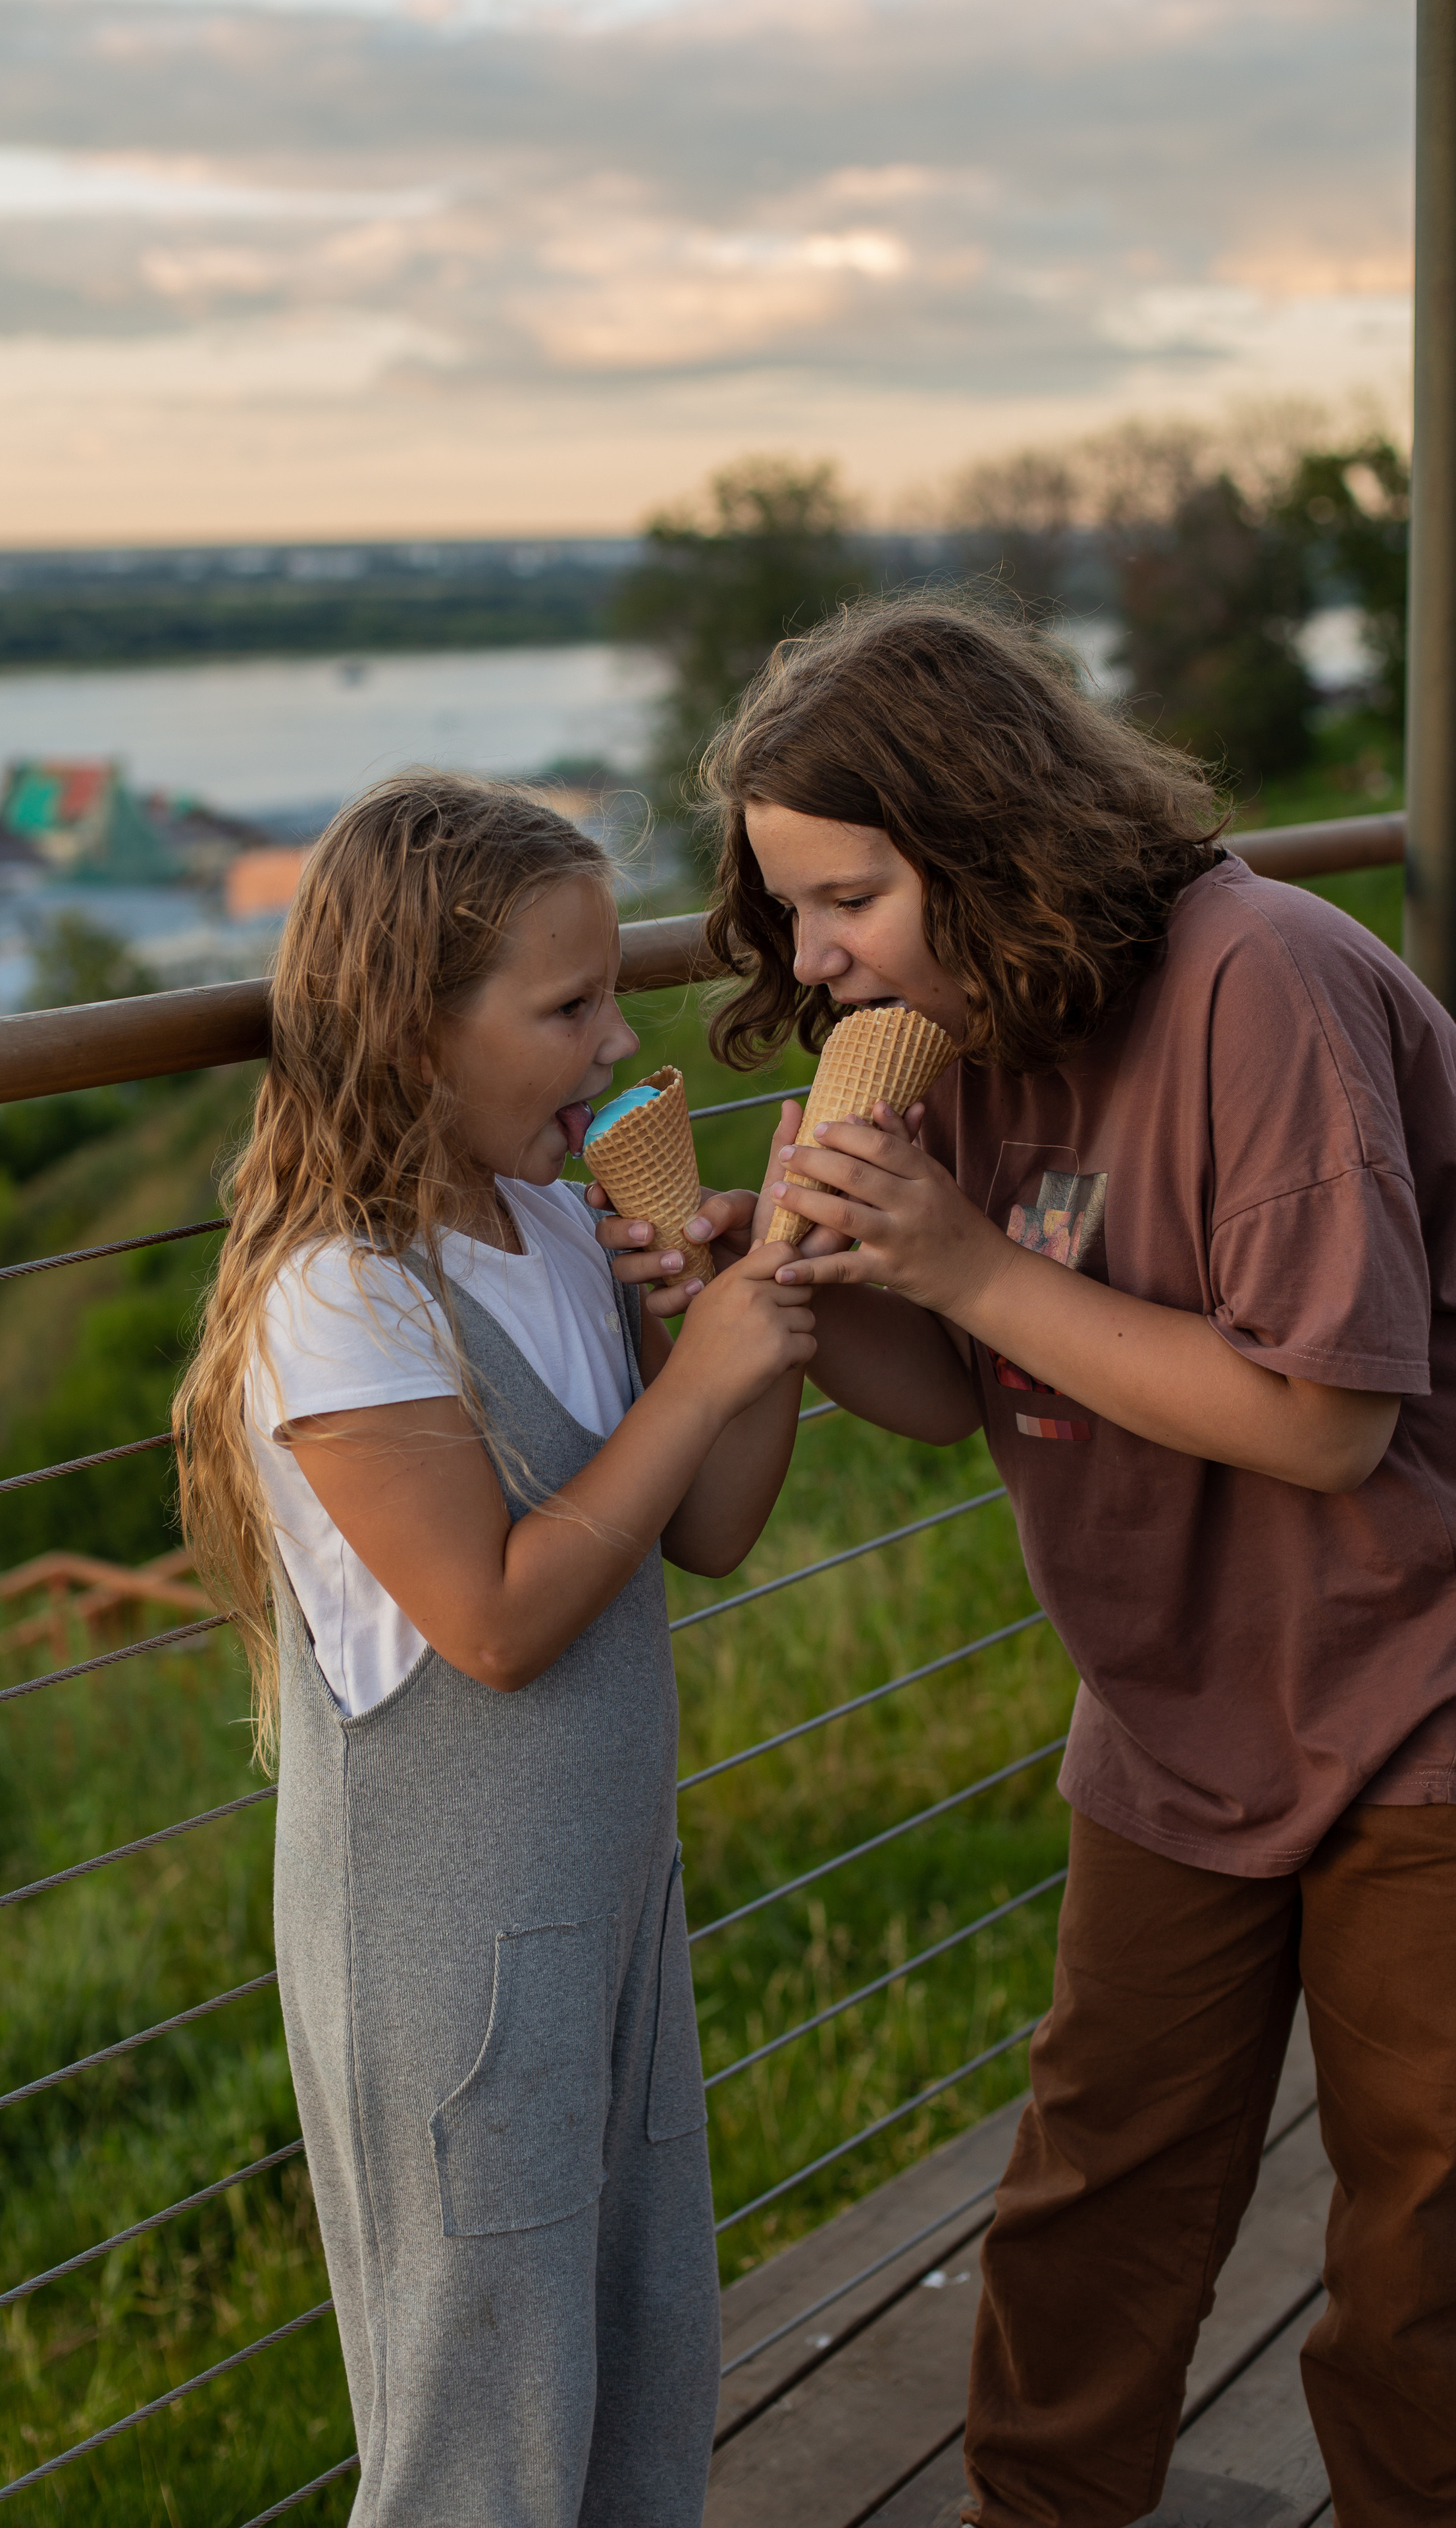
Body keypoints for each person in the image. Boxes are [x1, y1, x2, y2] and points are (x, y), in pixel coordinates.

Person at [592, 600, 1456, 2527]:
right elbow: (933, 1390)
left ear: (989, 841)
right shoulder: (925, 1043)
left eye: (849, 899)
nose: (813, 958)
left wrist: (972, 1258)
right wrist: (799, 1269)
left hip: (1424, 1691)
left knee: (1420, 2263)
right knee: (1091, 2207)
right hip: (1176, 1707)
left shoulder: (1263, 984)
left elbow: (1329, 1421)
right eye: (790, 910)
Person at [173, 772, 815, 2528]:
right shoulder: (340, 1293)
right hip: (449, 1969)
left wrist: (730, 1336)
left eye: (613, 990)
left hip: (610, 1911)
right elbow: (501, 1619)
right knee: (487, 2432)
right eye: (568, 1008)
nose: (620, 1041)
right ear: (414, 1030)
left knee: (640, 2361)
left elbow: (712, 1523)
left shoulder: (553, 1221)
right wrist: (693, 1383)